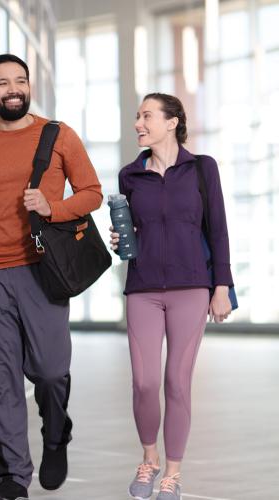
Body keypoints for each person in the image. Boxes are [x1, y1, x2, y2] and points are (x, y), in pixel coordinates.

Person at [0, 54, 102, 500]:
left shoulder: (58, 135)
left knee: (51, 371)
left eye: (20, 80)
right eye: (2, 83)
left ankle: (56, 433)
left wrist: (53, 208)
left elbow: (92, 193)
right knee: (2, 377)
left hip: (44, 268)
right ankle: (13, 477)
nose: (13, 89)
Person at [109, 93, 233, 500]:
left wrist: (221, 286)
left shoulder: (202, 168)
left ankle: (173, 474)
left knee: (177, 382)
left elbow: (218, 229)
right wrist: (121, 240)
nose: (138, 124)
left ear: (172, 122)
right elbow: (132, 231)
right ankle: (149, 458)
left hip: (191, 287)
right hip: (143, 288)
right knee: (144, 382)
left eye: (147, 116)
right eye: (137, 116)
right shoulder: (130, 175)